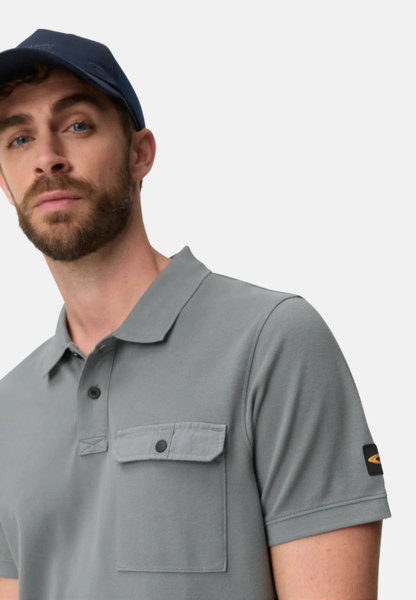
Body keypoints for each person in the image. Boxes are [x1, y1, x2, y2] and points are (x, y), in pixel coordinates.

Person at [0, 29, 391, 600]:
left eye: (77, 125)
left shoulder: (273, 344)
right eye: (18, 138)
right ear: (5, 183)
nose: (46, 158)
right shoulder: (8, 410)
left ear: (139, 154)